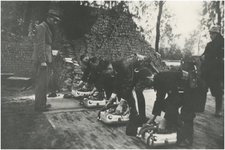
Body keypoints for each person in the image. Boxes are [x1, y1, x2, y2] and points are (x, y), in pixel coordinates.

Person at [100, 54, 154, 121]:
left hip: (146, 72)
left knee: (138, 90)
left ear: (109, 68)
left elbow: (129, 85)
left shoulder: (123, 66)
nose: (109, 75)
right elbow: (118, 84)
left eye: (107, 73)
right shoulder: (116, 66)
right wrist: (110, 100)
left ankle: (141, 117)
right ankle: (133, 113)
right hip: (136, 72)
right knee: (127, 91)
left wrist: (121, 104)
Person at [31, 9, 60, 112]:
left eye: (56, 20)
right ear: (48, 18)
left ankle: (42, 103)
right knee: (41, 84)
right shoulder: (42, 27)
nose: (55, 22)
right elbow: (40, 45)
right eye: (54, 19)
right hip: (42, 60)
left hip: (46, 59)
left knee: (45, 83)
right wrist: (43, 60)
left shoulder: (46, 27)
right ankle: (39, 106)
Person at [200, 26, 224, 117]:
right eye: (210, 33)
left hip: (216, 72)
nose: (211, 35)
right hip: (206, 71)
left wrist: (207, 57)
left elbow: (219, 57)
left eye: (213, 33)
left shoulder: (222, 44)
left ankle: (218, 111)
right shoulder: (209, 44)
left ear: (217, 34)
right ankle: (200, 107)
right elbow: (204, 54)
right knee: (202, 89)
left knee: (218, 91)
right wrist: (202, 57)